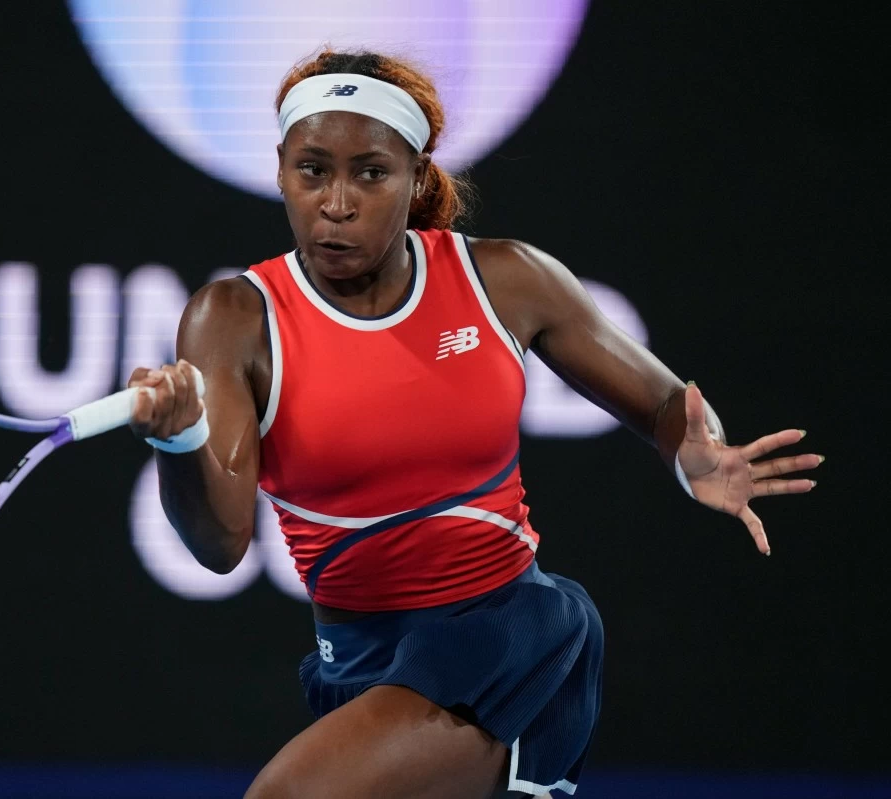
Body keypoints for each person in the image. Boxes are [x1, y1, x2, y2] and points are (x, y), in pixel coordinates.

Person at [125, 49, 822, 798]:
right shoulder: (234, 317)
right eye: (312, 170)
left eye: (371, 173)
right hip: (359, 662)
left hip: (508, 639)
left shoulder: (507, 278)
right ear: (280, 170)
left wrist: (696, 451)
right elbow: (221, 544)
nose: (337, 202)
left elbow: (665, 404)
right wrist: (179, 440)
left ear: (417, 177)